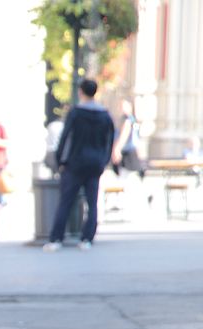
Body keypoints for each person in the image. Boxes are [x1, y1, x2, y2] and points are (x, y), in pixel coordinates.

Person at [43, 79, 115, 252]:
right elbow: (110, 139)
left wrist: (60, 160)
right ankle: (87, 238)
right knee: (92, 201)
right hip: (95, 162)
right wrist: (104, 160)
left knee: (66, 201)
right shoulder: (104, 115)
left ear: (81, 91)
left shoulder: (76, 113)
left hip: (75, 162)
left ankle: (56, 238)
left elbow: (66, 136)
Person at [111, 100, 144, 178]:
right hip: (131, 152)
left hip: (128, 153)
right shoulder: (131, 119)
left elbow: (124, 136)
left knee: (126, 177)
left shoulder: (127, 120)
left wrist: (117, 149)